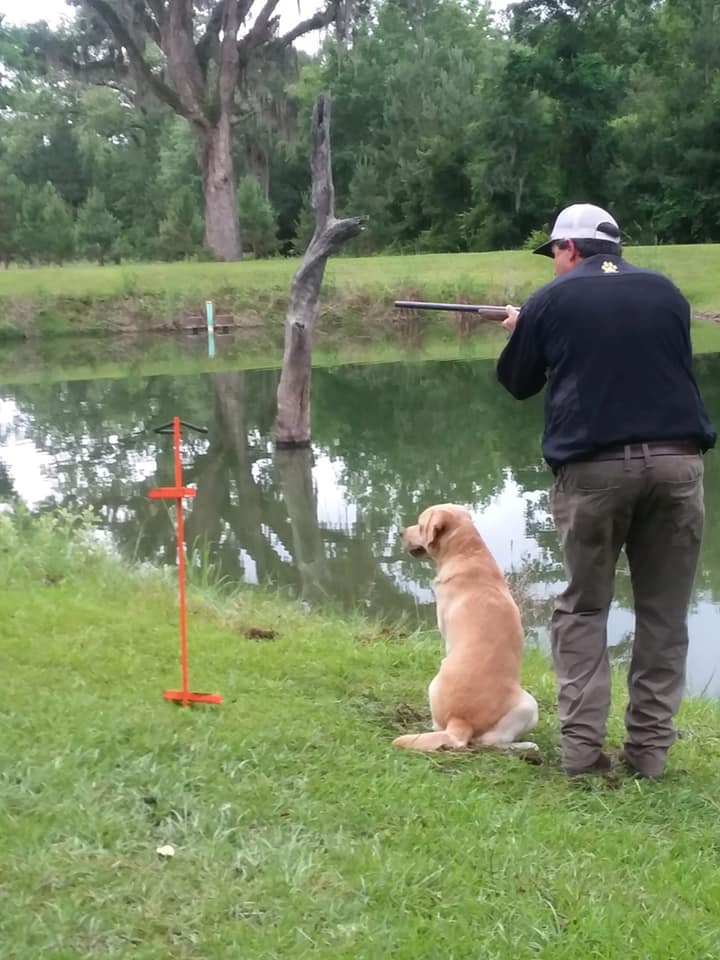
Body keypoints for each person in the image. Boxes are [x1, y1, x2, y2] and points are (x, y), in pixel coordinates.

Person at [496, 202, 716, 779]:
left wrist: (525, 329)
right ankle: (648, 756)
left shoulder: (551, 300)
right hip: (679, 466)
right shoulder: (667, 292)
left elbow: (518, 383)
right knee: (665, 616)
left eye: (554, 255)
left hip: (594, 472)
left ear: (570, 249)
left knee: (584, 609)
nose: (553, 265)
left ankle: (582, 754)